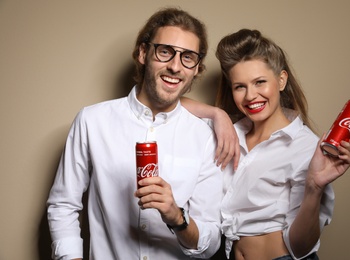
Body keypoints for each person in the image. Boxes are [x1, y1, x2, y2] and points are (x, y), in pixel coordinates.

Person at [46, 7, 238, 260]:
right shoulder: (92, 121)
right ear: (143, 53)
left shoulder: (205, 137)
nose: (175, 66)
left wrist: (177, 217)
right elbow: (63, 205)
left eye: (187, 57)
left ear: (197, 69)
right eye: (165, 52)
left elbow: (209, 243)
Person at [182, 29, 350, 260]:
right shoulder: (229, 134)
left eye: (260, 82)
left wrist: (314, 188)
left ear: (281, 80)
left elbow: (301, 248)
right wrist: (217, 114)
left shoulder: (305, 148)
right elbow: (168, 103)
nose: (251, 95)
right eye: (239, 86)